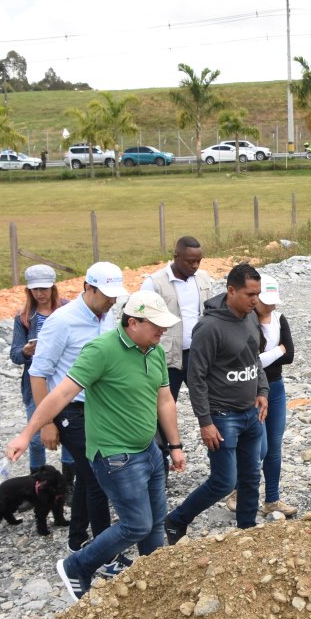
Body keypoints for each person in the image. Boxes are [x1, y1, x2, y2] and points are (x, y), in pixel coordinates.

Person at [6, 290, 187, 601]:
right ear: (133, 322)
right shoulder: (101, 350)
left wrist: (175, 445)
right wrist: (27, 433)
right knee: (136, 524)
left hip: (149, 450)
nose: (163, 330)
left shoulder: (154, 350)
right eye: (156, 324)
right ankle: (76, 566)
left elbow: (165, 400)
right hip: (116, 456)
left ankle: (156, 583)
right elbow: (62, 394)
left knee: (155, 523)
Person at [28, 262, 125, 566]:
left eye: (115, 295)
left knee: (86, 474)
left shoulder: (108, 317)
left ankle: (77, 539)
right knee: (98, 477)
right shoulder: (61, 322)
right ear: (88, 288)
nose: (112, 301)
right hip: (71, 410)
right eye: (106, 295)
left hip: (100, 409)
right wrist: (46, 422)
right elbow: (38, 373)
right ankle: (105, 555)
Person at [164, 263, 268, 544]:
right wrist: (205, 422)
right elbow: (195, 377)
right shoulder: (209, 327)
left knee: (250, 477)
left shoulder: (251, 317)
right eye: (250, 294)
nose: (255, 300)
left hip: (250, 413)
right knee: (224, 481)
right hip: (223, 417)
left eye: (258, 294)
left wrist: (262, 389)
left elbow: (254, 358)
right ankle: (177, 520)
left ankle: (246, 531)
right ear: (231, 291)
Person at [140, 236, 213, 448]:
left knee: (210, 404)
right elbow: (139, 317)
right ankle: (160, 459)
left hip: (197, 355)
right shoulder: (154, 282)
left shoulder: (204, 279)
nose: (195, 266)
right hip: (164, 357)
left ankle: (217, 452)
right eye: (190, 261)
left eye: (198, 261)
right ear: (176, 257)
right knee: (160, 409)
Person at [9, 264, 74, 482]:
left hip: (65, 379)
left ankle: (68, 483)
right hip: (35, 382)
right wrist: (26, 352)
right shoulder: (23, 318)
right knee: (36, 438)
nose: (40, 293)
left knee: (70, 432)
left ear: (53, 288)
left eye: (44, 288)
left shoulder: (69, 310)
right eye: (35, 289)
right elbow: (15, 354)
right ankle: (37, 483)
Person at [250, 274, 296, 516]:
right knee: (259, 446)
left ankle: (272, 498)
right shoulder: (247, 321)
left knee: (274, 445)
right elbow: (252, 360)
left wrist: (269, 355)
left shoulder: (279, 318)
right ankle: (241, 491)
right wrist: (278, 350)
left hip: (275, 386)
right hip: (253, 389)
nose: (270, 306)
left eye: (272, 302)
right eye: (266, 302)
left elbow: (290, 355)